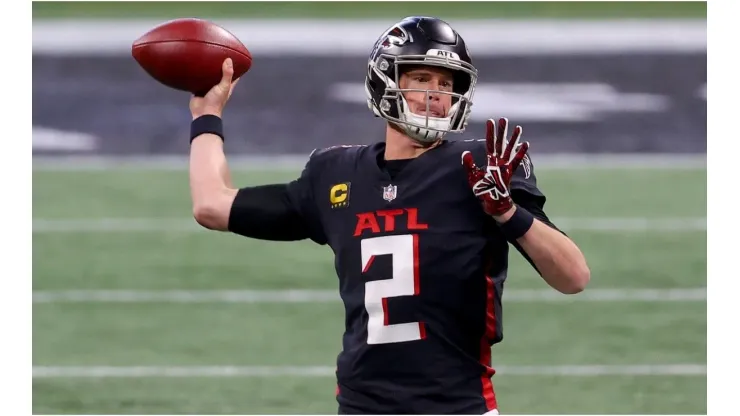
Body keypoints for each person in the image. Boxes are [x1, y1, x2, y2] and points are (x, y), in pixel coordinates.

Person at [187, 16, 590, 415]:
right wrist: (207, 114)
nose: (436, 94)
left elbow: (573, 277)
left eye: (446, 83)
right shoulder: (336, 174)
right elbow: (212, 205)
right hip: (362, 408)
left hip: (458, 408)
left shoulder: (480, 167)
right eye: (421, 79)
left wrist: (508, 213)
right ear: (386, 82)